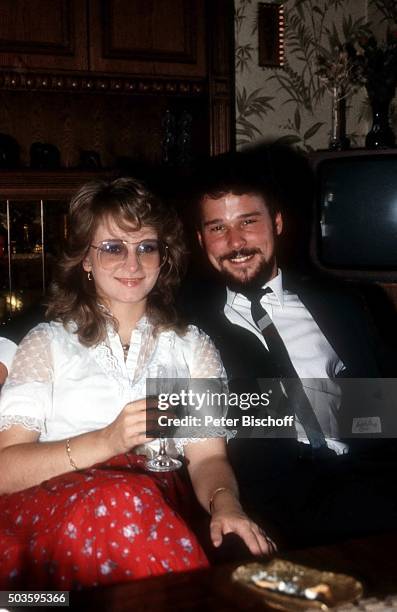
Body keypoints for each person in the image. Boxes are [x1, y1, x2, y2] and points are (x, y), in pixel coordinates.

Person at [0, 177, 271, 590]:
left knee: (133, 501)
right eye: (113, 248)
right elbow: (5, 470)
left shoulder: (191, 346)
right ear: (85, 260)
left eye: (146, 246)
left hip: (151, 510)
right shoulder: (47, 343)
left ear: (163, 258)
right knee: (123, 499)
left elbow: (207, 458)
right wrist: (107, 440)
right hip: (53, 511)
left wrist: (226, 503)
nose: (133, 263)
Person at [183, 149, 397, 549]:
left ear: (277, 223)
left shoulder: (349, 303)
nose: (235, 241)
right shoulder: (183, 324)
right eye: (217, 228)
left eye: (248, 221)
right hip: (269, 500)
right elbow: (180, 425)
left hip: (372, 479)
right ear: (201, 240)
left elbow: (388, 409)